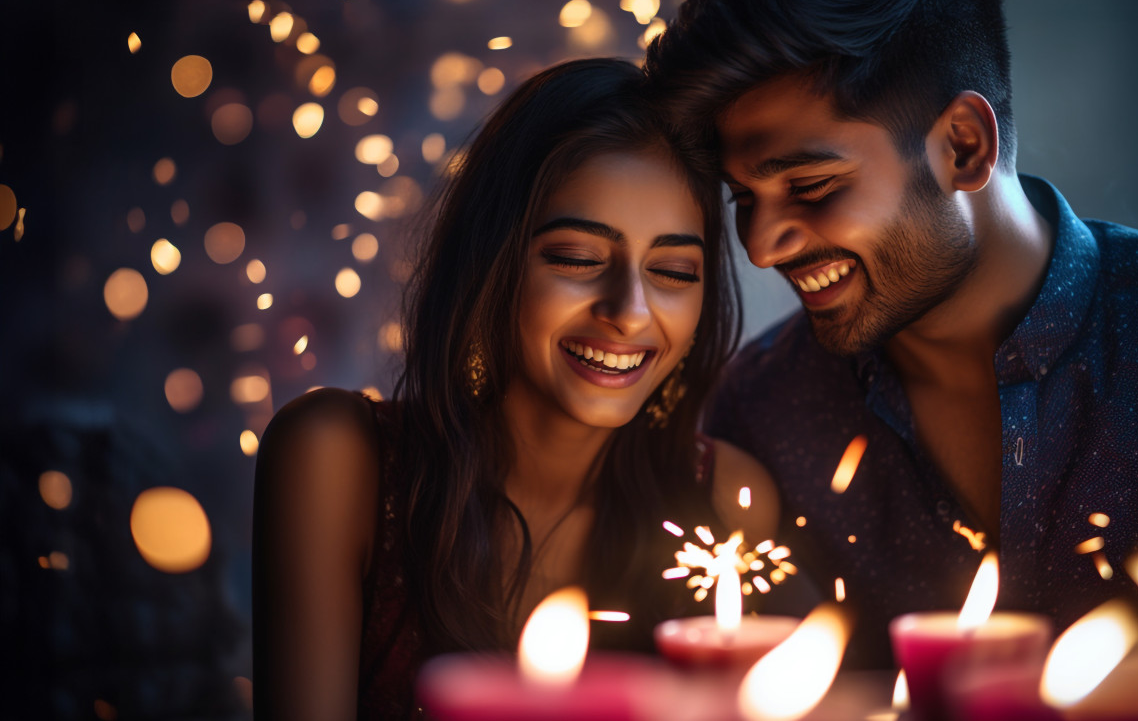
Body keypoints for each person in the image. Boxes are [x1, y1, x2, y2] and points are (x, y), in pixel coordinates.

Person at [646, 0, 1138, 689]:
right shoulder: (764, 411)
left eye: (809, 186)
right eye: (744, 198)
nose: (761, 244)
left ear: (962, 147)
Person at [251, 58, 779, 721]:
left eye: (674, 269)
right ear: (492, 262)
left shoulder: (725, 499)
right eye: (578, 259)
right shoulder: (337, 458)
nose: (630, 310)